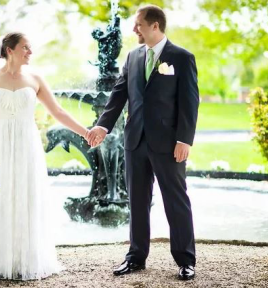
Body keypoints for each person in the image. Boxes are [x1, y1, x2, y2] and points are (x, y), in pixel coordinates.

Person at [0, 32, 89, 280]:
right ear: (10, 50)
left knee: (27, 196)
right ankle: (3, 261)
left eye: (30, 48)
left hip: (27, 145)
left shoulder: (35, 78)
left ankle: (28, 258)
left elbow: (58, 111)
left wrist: (85, 132)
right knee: (2, 198)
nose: (30, 52)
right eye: (25, 48)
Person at [87, 5, 200, 281]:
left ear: (155, 26)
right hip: (135, 142)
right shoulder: (133, 56)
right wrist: (103, 124)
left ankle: (185, 260)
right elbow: (119, 93)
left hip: (169, 144)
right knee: (137, 202)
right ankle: (136, 257)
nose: (133, 29)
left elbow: (190, 102)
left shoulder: (182, 58)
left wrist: (185, 139)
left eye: (138, 24)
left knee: (176, 201)